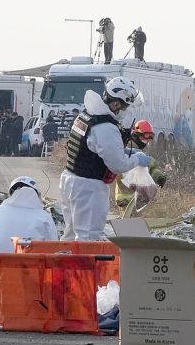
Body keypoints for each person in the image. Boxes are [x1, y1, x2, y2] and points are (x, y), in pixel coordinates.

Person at [60, 77, 150, 240]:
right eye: (126, 107)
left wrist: (128, 153)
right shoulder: (106, 127)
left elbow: (96, 148)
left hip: (71, 178)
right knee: (89, 236)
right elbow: (117, 165)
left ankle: (67, 264)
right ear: (116, 104)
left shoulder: (87, 115)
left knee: (72, 233)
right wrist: (137, 159)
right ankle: (85, 266)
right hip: (88, 188)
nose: (127, 111)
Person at [0, 177, 57, 253]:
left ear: (11, 194)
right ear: (36, 195)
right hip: (32, 263)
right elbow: (53, 248)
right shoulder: (44, 216)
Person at [115, 120, 166, 207]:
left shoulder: (137, 148)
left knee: (133, 219)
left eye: (150, 137)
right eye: (145, 136)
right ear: (136, 135)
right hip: (127, 198)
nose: (147, 140)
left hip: (133, 198)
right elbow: (138, 169)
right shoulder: (129, 148)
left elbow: (145, 169)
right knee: (131, 219)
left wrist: (157, 175)